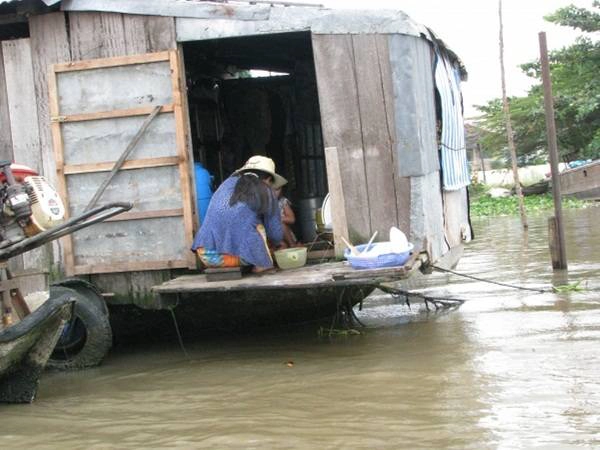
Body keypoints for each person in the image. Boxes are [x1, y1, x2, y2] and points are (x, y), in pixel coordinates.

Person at [191, 155, 285, 273]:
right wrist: (277, 246)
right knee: (259, 227)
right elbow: (276, 234)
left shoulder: (225, 184)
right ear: (268, 179)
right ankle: (262, 265)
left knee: (245, 223)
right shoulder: (266, 190)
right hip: (236, 257)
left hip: (206, 255)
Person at [272, 181, 299, 248]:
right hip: (270, 235)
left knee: (281, 225)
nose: (275, 192)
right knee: (282, 247)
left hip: (285, 235)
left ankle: (292, 245)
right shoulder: (264, 204)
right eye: (272, 190)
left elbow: (292, 219)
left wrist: (279, 219)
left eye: (277, 189)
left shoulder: (282, 202)